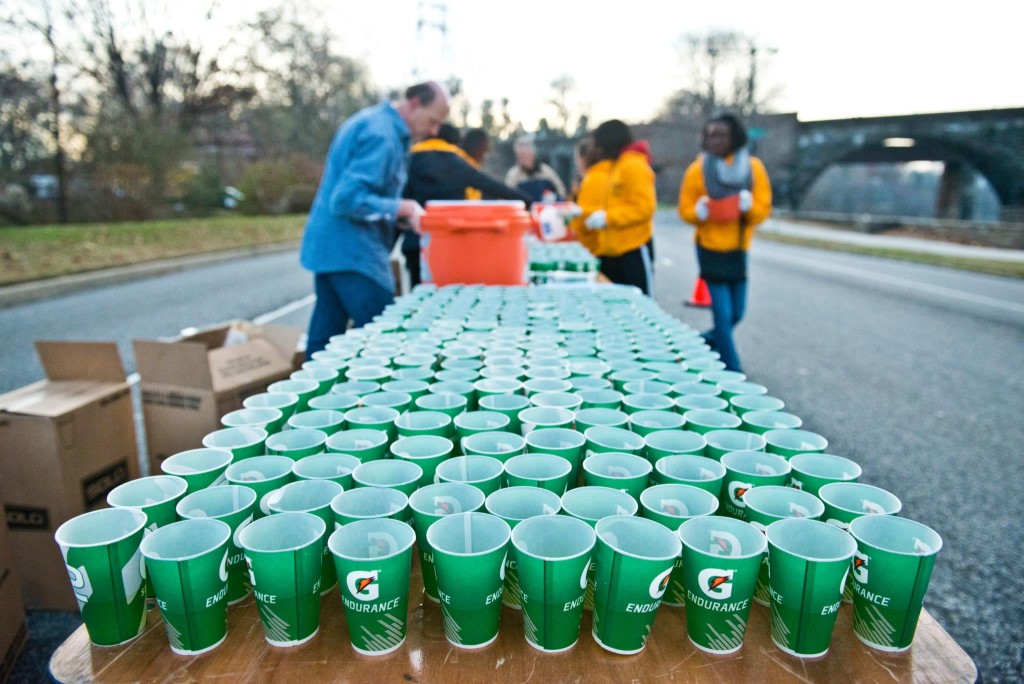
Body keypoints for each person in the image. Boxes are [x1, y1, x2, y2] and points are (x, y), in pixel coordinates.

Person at [300, 81, 450, 358]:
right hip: (354, 255)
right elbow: (345, 199)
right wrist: (402, 207)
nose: (434, 131)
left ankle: (310, 399)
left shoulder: (372, 122)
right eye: (432, 121)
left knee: (322, 346)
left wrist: (400, 218)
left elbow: (364, 197)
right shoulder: (382, 135)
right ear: (414, 103)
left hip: (330, 250)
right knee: (387, 345)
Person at [677, 111, 772, 373]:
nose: (713, 140)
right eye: (709, 135)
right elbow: (684, 209)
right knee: (722, 315)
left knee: (736, 314)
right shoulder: (698, 170)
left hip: (738, 249)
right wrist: (697, 212)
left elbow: (763, 210)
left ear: (734, 137)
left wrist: (749, 207)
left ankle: (700, 341)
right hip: (708, 248)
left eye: (720, 135)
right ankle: (734, 374)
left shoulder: (753, 169)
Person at [401, 123, 531, 286]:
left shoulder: (409, 160)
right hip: (450, 245)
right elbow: (490, 184)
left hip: (415, 242)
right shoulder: (456, 162)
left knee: (420, 295)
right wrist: (528, 201)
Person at [574, 119, 657, 295]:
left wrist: (608, 218)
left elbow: (644, 207)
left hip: (632, 252)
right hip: (613, 253)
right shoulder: (616, 167)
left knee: (641, 303)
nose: (595, 148)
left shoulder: (633, 165)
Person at [504, 134, 567, 202]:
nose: (521, 159)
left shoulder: (547, 172)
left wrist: (553, 198)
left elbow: (561, 191)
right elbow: (507, 198)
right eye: (519, 155)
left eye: (524, 155)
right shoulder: (513, 176)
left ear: (532, 153)